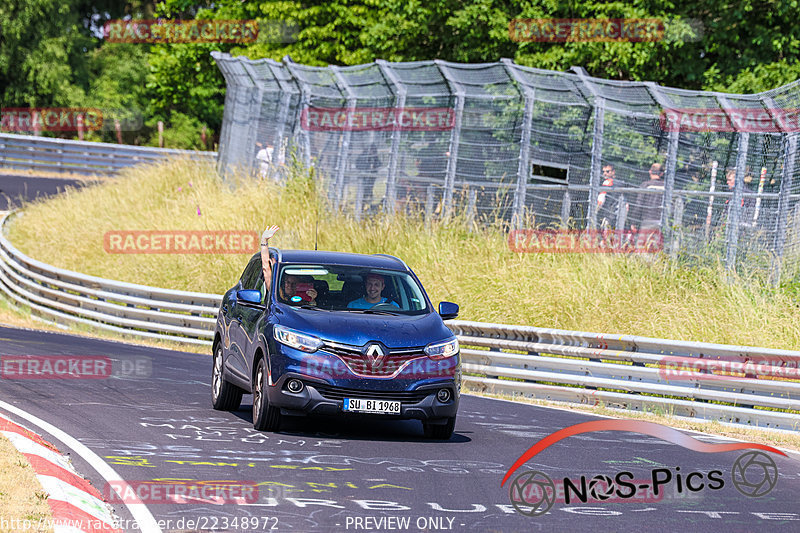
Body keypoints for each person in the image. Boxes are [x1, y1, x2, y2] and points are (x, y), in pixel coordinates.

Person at [259, 226, 317, 306]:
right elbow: (266, 268)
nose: (290, 285)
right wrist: (264, 241)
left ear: (300, 285)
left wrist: (313, 300)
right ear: (283, 283)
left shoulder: (306, 297)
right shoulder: (276, 294)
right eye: (288, 282)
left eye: (294, 283)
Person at [630, 163, 665, 231]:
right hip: (661, 221)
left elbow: (639, 204)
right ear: (661, 174)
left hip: (647, 220)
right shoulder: (665, 187)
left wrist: (634, 222)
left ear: (650, 171)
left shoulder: (646, 185)